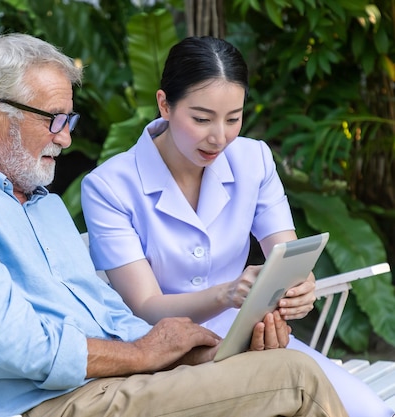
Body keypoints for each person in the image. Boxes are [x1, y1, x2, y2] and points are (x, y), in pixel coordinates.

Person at [0, 32, 348, 417]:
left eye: (70, 119)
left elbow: (111, 317)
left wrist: (207, 351)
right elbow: (8, 345)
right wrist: (146, 354)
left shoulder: (41, 206)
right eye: (54, 120)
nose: (65, 138)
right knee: (298, 380)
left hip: (111, 388)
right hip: (43, 405)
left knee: (275, 363)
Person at [81, 36, 394, 417]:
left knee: (367, 411)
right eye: (201, 119)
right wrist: (226, 294)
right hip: (166, 352)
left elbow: (287, 254)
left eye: (233, 118)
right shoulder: (109, 186)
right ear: (164, 104)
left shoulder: (254, 159)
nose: (220, 137)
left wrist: (299, 288)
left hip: (251, 334)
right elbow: (146, 307)